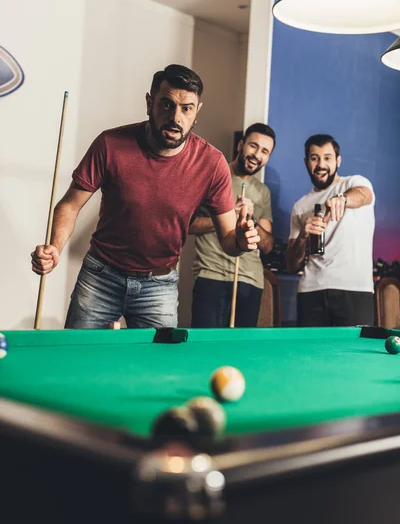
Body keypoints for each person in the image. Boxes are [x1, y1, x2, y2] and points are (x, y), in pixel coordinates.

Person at [31, 64, 260, 329]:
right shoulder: (110, 144)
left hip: (159, 286)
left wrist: (242, 241)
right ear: (150, 102)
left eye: (186, 108)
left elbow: (230, 241)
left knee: (161, 368)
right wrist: (54, 248)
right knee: (78, 358)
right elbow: (70, 205)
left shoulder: (212, 163)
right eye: (166, 104)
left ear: (197, 112)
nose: (176, 116)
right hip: (100, 276)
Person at [189, 123, 275, 328]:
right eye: (253, 146)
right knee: (206, 349)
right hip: (211, 274)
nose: (257, 154)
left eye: (264, 151)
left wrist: (250, 221)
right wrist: (227, 216)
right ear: (240, 145)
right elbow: (186, 225)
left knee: (241, 354)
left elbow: (267, 245)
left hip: (249, 281)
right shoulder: (212, 175)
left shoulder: (262, 192)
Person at [286, 134, 375, 327]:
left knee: (355, 355)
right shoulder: (300, 206)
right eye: (314, 158)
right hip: (310, 291)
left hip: (354, 290)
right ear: (306, 162)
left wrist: (341, 199)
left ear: (338, 161)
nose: (321, 164)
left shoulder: (354, 184)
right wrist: (303, 236)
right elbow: (292, 265)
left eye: (327, 158)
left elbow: (364, 195)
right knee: (309, 355)